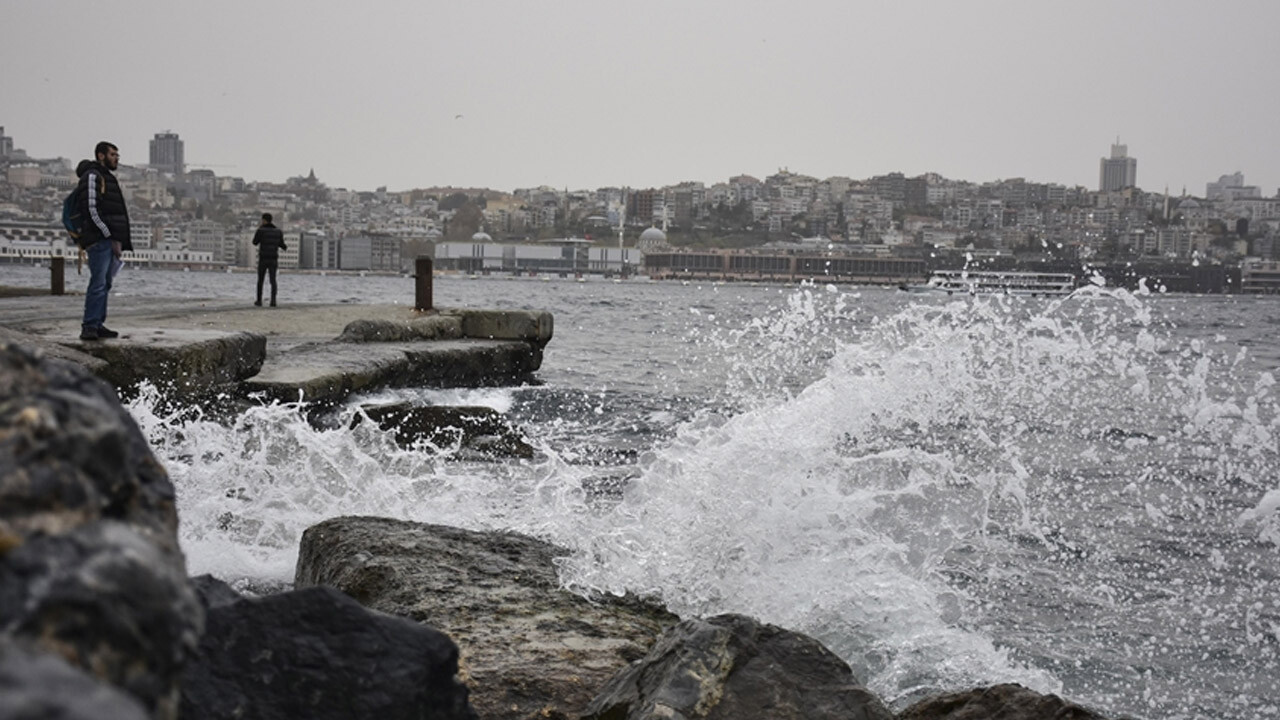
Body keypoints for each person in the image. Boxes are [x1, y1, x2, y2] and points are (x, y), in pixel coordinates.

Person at [78, 141, 132, 341]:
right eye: (112, 154)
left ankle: (98, 323)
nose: (116, 158)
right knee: (98, 283)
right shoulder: (93, 176)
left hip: (108, 240)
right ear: (101, 156)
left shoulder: (107, 178)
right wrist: (107, 234)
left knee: (105, 283)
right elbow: (91, 209)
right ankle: (90, 325)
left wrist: (116, 239)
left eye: (117, 155)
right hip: (99, 240)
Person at [252, 212, 286, 306]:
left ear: (264, 220)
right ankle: (273, 300)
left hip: (263, 258)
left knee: (260, 280)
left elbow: (255, 242)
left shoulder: (261, 231)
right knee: (273, 280)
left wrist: (259, 230)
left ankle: (259, 300)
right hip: (273, 258)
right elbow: (282, 245)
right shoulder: (278, 231)